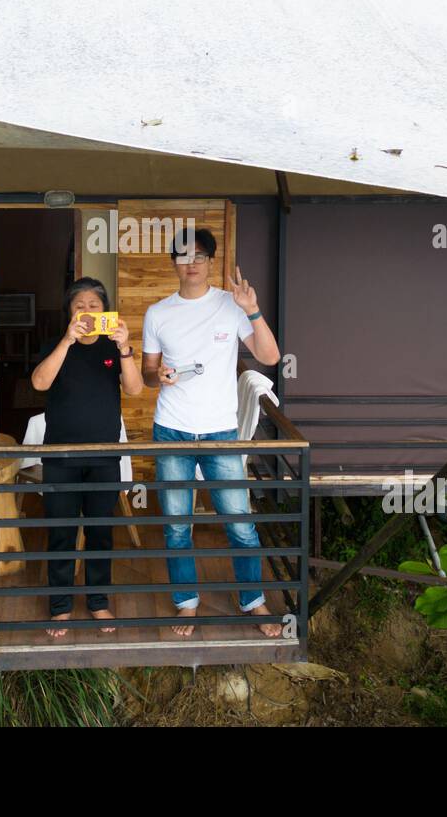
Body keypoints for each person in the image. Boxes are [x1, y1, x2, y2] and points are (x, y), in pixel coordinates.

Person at [141, 227, 283, 637]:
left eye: (200, 256)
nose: (191, 263)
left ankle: (252, 601)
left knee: (240, 522)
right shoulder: (158, 313)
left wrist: (253, 310)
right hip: (171, 430)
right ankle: (187, 603)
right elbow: (149, 375)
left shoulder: (230, 304)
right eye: (184, 256)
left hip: (220, 431)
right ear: (174, 262)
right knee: (176, 524)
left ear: (210, 261)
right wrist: (159, 375)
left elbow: (270, 356)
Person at [30, 277, 143, 637]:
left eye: (94, 305)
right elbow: (39, 383)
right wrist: (66, 340)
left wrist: (125, 348)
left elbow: (136, 389)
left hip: (103, 455)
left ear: (106, 311)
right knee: (61, 532)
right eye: (79, 305)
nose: (87, 311)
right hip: (60, 455)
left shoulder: (113, 346)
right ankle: (60, 607)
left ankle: (98, 602)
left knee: (100, 531)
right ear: (69, 312)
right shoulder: (56, 344)